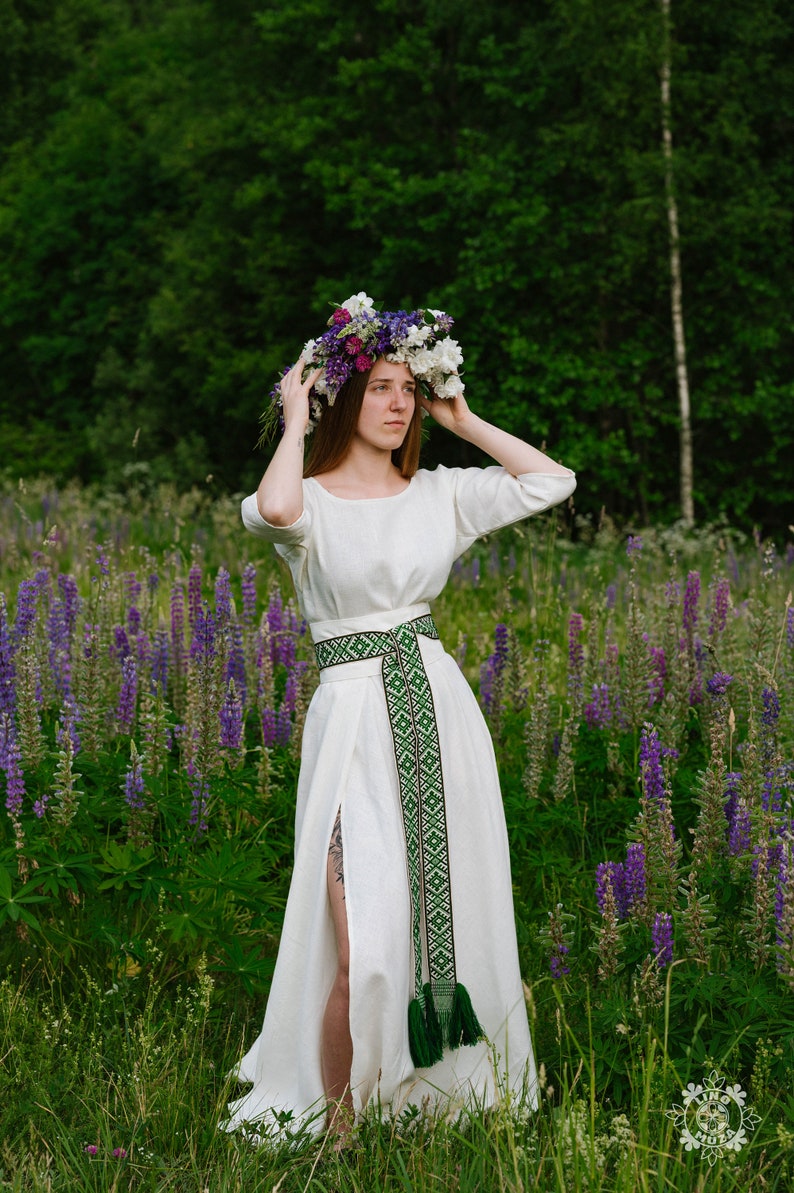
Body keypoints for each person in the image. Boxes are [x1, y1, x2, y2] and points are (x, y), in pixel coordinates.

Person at [225, 294, 576, 1145]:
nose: (396, 404)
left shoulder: (442, 494)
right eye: (379, 387)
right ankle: (339, 1125)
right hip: (352, 723)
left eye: (407, 390)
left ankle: (428, 1099)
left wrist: (463, 417)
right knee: (364, 946)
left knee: (445, 917)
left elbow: (552, 481)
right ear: (346, 398)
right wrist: (293, 419)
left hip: (435, 712)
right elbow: (272, 511)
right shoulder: (306, 501)